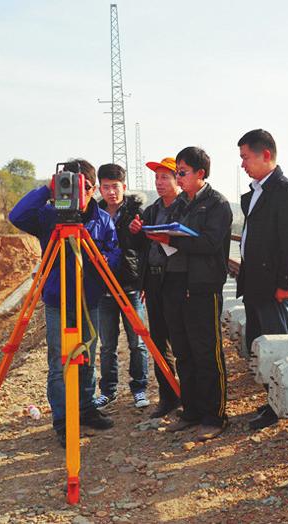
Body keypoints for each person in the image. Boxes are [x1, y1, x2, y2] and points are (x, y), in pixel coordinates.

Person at [8, 159, 120, 446]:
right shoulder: (49, 216)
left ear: (92, 189)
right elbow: (17, 216)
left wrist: (102, 258)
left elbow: (114, 252)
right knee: (59, 363)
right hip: (58, 300)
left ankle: (86, 409)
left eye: (82, 186)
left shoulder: (102, 219)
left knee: (86, 358)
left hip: (89, 300)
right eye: (67, 184)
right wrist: (47, 190)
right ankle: (63, 420)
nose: (75, 192)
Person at [147, 147, 232, 442]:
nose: (178, 178)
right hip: (174, 283)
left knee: (206, 351)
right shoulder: (181, 203)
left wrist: (172, 240)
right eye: (178, 173)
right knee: (183, 351)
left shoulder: (217, 204)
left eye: (182, 173)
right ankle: (191, 410)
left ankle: (215, 415)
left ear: (200, 173)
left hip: (202, 286)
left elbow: (209, 244)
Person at [236, 129, 288, 430]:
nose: (242, 164)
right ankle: (272, 400)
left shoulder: (284, 191)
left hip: (273, 288)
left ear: (265, 155)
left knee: (278, 348)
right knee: (260, 345)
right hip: (255, 285)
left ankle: (280, 407)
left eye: (245, 157)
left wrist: (285, 284)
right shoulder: (257, 191)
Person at [128, 157, 182, 418]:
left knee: (181, 341)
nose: (159, 183)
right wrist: (135, 231)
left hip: (176, 281)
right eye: (157, 178)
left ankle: (189, 395)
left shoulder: (185, 208)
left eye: (165, 177)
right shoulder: (152, 210)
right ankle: (168, 396)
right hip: (154, 281)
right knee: (159, 341)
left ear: (178, 179)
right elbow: (140, 247)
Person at [95, 163, 150, 410]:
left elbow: (147, 249)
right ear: (100, 188)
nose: (111, 192)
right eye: (106, 187)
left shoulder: (136, 212)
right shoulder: (93, 213)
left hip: (130, 287)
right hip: (103, 289)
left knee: (137, 342)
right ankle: (108, 391)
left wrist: (144, 282)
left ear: (124, 187)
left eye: (115, 187)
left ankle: (139, 389)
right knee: (107, 345)